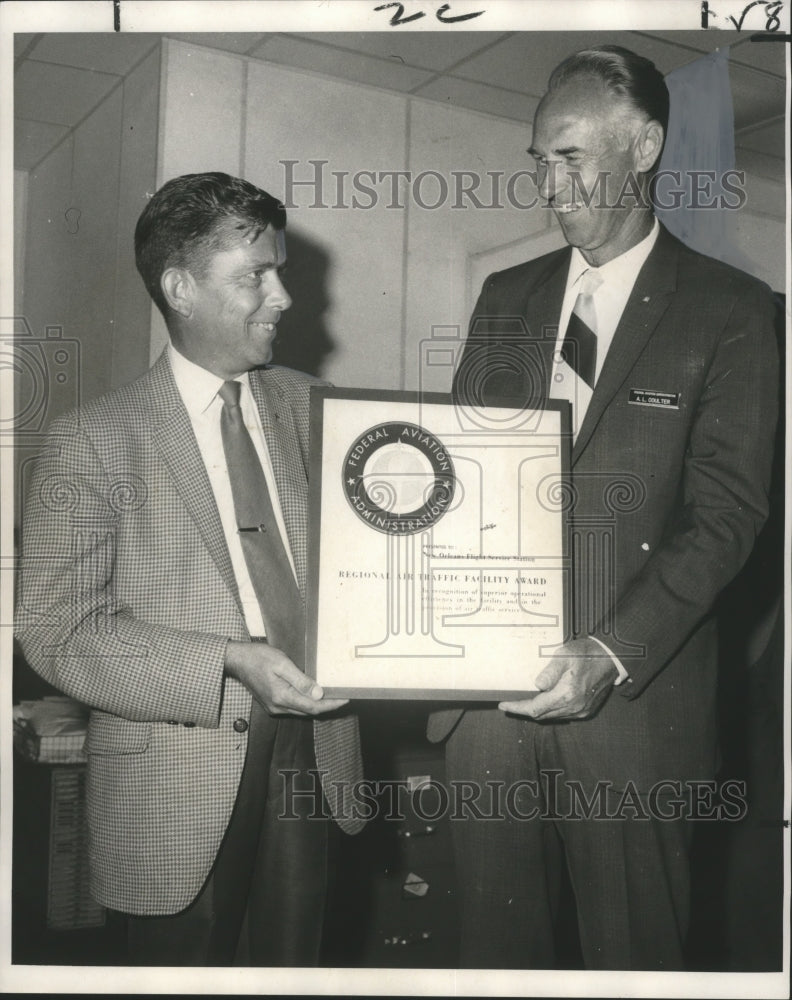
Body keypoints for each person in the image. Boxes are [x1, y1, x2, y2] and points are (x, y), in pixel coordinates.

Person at [428, 46, 779, 970]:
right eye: (539, 159)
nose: (551, 183)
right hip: (488, 707)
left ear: (646, 147)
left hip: (635, 713)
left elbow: (728, 518)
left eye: (573, 157)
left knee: (634, 962)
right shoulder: (507, 299)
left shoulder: (735, 312)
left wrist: (611, 652)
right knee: (492, 959)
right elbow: (464, 483)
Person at [15, 172, 364, 966]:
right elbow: (58, 631)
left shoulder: (324, 409)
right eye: (253, 277)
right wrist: (229, 661)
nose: (282, 297)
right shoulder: (93, 440)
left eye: (278, 271)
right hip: (172, 781)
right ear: (180, 287)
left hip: (317, 758)